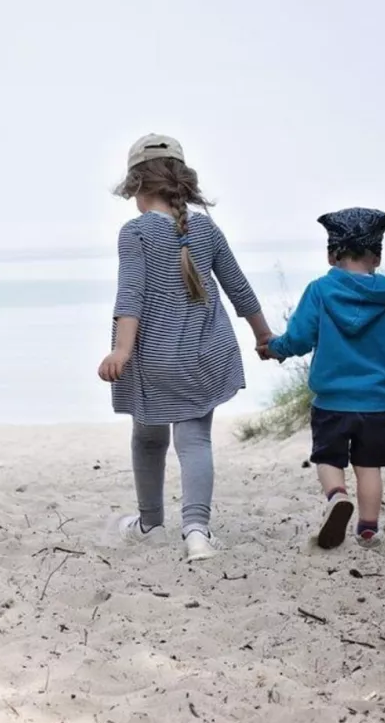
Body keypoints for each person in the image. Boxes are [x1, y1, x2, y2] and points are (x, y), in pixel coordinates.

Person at [98, 133, 275, 563]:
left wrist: (122, 351)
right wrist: (263, 336)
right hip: (202, 358)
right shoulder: (206, 228)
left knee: (148, 439)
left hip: (153, 361)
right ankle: (197, 532)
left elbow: (131, 297)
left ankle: (151, 525)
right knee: (195, 442)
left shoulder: (135, 234)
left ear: (137, 186)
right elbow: (239, 289)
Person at [260, 207, 385, 549]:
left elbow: (299, 337)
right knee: (369, 467)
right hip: (377, 405)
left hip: (332, 402)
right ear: (378, 256)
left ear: (331, 254)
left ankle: (337, 496)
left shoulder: (320, 291)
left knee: (328, 458)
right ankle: (368, 529)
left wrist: (276, 349)